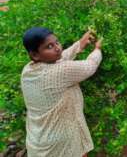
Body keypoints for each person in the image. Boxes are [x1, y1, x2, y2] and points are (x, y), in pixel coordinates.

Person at [21, 27, 102, 157]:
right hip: (62, 144)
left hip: (38, 142)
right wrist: (97, 49)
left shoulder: (28, 70)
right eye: (49, 46)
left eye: (56, 42)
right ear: (35, 54)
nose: (57, 48)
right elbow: (90, 65)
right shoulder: (61, 71)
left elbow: (59, 58)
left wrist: (80, 44)